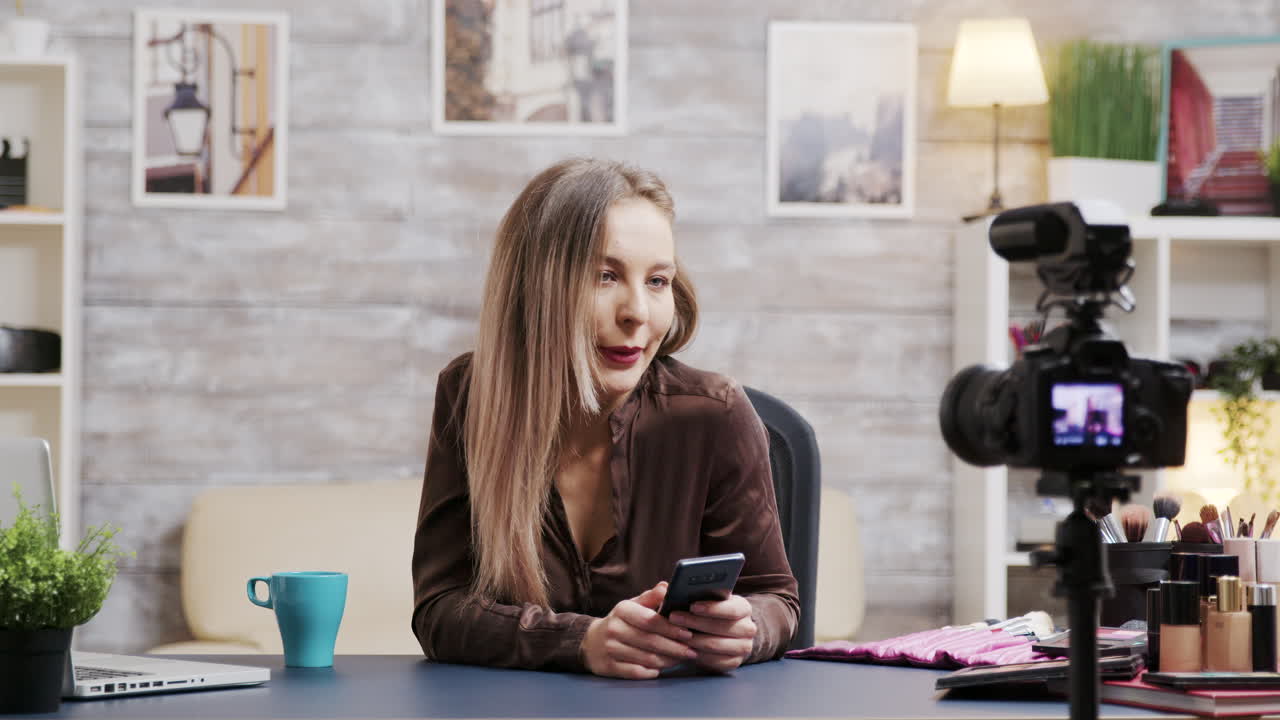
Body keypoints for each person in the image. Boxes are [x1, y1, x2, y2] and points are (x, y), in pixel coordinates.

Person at [411, 157, 799, 679]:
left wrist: (746, 628)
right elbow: (440, 610)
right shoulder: (468, 397)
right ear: (537, 286)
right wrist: (582, 641)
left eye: (657, 281)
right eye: (605, 276)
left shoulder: (715, 413)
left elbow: (776, 599)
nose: (637, 312)